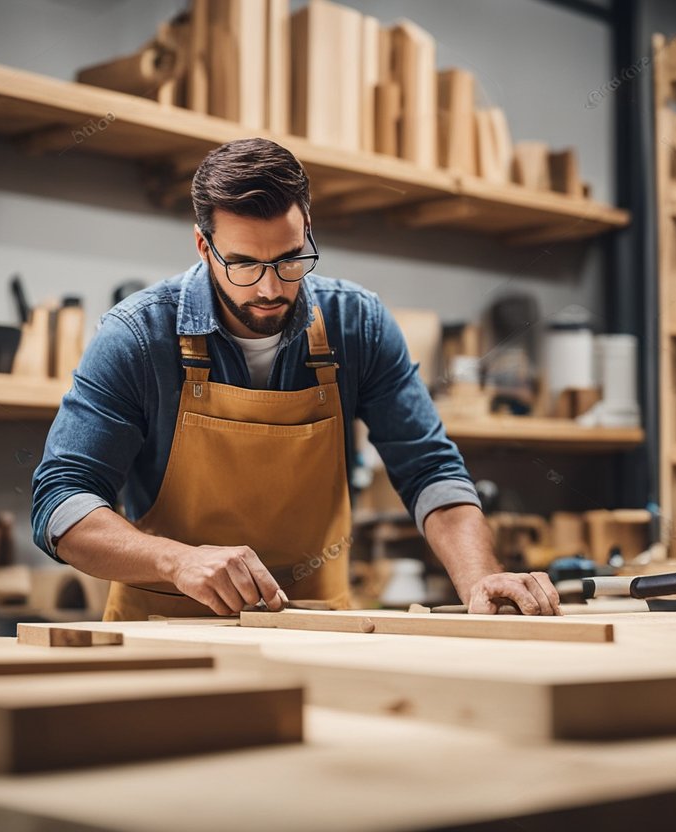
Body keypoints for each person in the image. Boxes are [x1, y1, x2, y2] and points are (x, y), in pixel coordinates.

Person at [30, 138, 561, 620]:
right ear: (202, 245)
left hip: (317, 625)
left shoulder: (358, 325)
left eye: (289, 260)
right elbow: (61, 502)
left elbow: (430, 471)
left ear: (307, 227)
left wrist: (480, 577)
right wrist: (178, 561)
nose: (268, 288)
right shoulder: (137, 336)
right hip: (167, 629)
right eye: (242, 264)